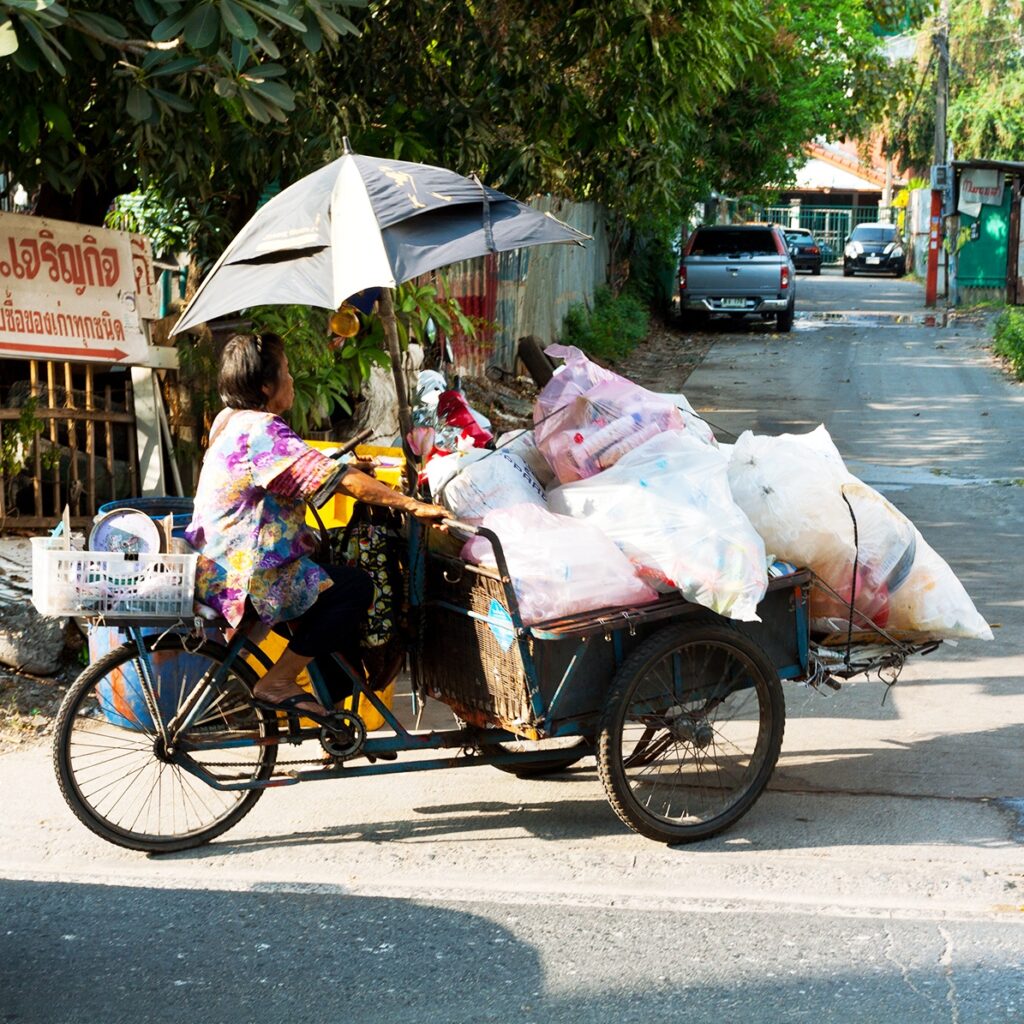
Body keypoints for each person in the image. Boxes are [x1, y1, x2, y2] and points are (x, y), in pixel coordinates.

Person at [185, 331, 447, 724]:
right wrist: (410, 504)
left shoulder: (228, 422)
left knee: (322, 583)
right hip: (247, 575)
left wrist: (344, 468)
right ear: (265, 386)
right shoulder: (263, 430)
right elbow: (335, 481)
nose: (292, 381)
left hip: (216, 565)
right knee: (354, 588)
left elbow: (297, 466)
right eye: (286, 373)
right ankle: (279, 682)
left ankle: (328, 718)